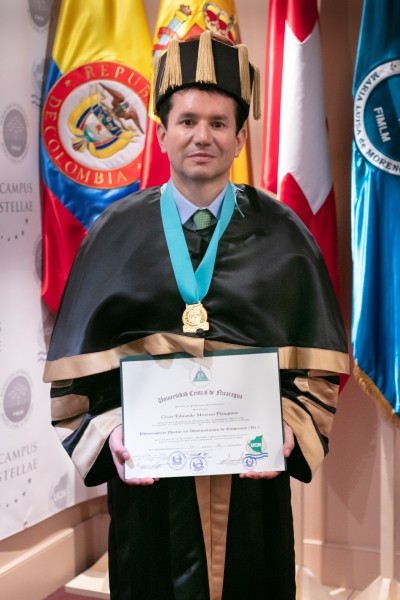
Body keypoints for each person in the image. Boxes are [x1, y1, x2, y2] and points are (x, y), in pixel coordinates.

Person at [44, 32, 349, 600]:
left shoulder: (284, 237)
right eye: (186, 121)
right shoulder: (113, 236)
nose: (202, 136)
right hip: (150, 497)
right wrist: (110, 432)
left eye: (218, 123)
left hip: (252, 495)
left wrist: (288, 427)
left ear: (239, 138)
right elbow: (74, 381)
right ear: (162, 134)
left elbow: (317, 373)